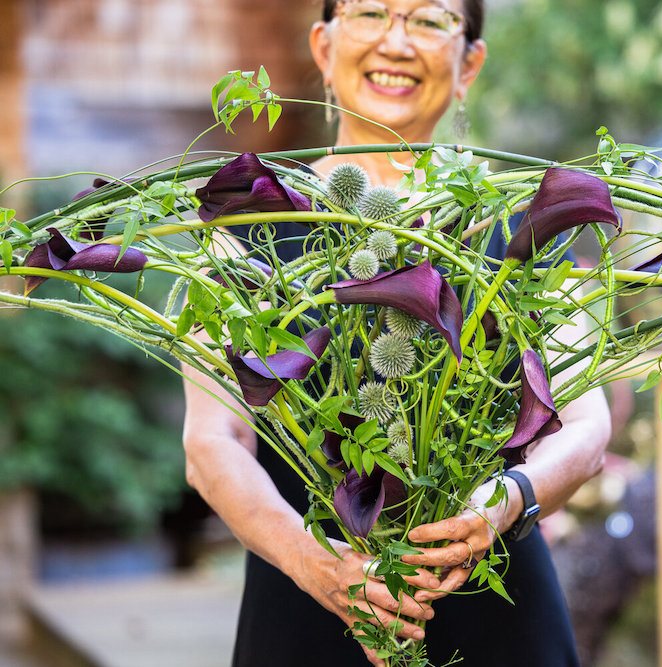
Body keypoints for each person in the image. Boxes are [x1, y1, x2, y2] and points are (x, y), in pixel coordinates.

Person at [181, 1, 612, 665]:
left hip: (496, 618)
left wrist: (505, 501)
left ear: (469, 62)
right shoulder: (246, 226)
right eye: (372, 12)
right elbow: (213, 440)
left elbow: (587, 428)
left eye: (430, 19)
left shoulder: (528, 224)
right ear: (323, 47)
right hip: (306, 606)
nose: (396, 40)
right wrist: (310, 558)